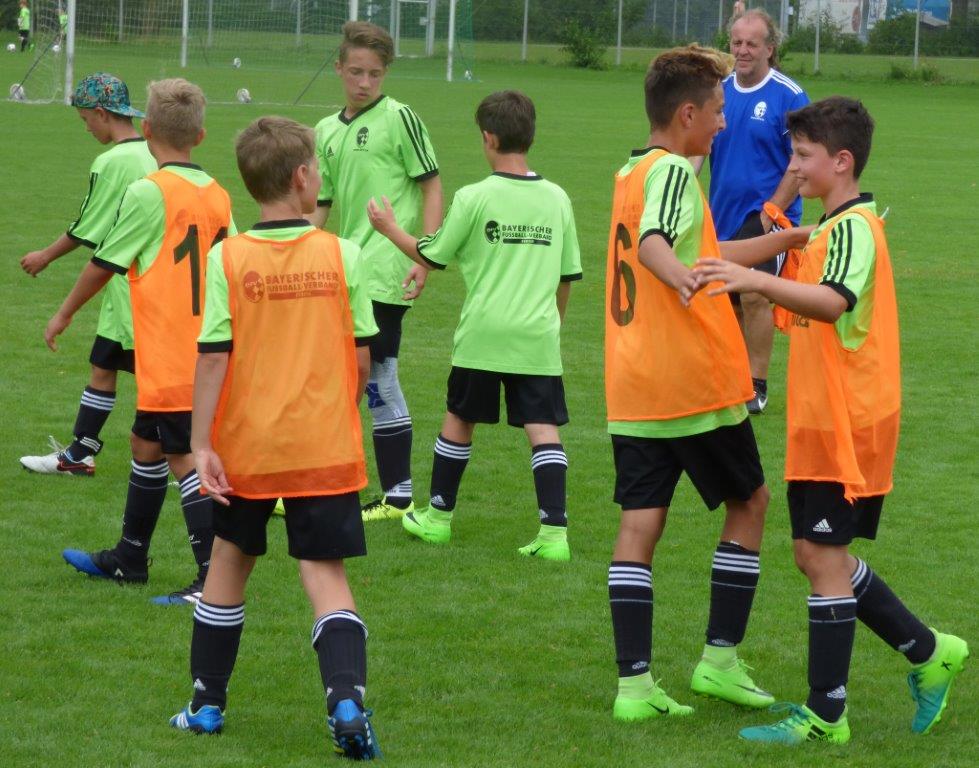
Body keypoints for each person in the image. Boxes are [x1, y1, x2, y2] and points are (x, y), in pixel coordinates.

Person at [695, 97, 969, 745]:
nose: (793, 166)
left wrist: (753, 282)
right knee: (815, 554)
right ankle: (930, 652)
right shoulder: (827, 227)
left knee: (821, 558)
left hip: (849, 422)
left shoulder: (853, 230)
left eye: (803, 155)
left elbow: (830, 301)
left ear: (841, 161)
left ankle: (825, 716)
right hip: (821, 419)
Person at [603, 45, 810, 722]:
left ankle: (634, 688)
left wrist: (791, 240)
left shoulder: (632, 171)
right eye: (718, 111)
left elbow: (709, 254)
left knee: (640, 523)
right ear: (687, 114)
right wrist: (681, 280)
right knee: (749, 502)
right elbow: (656, 245)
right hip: (692, 381)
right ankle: (719, 661)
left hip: (634, 381)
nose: (723, 123)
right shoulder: (671, 170)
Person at [168, 116, 381, 760]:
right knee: (325, 573)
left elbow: (213, 356)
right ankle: (345, 699)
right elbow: (362, 357)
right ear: (303, 177)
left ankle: (206, 705)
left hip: (248, 448)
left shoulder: (228, 256)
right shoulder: (342, 253)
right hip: (323, 447)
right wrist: (336, 411)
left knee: (229, 564)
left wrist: (201, 445)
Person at [367, 90, 581, 561]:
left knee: (460, 419)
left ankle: (438, 519)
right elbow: (567, 278)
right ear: (531, 136)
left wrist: (387, 227)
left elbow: (431, 254)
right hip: (536, 336)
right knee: (543, 427)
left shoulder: (474, 196)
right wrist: (553, 325)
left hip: (483, 334)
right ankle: (554, 535)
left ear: (488, 138)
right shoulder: (557, 198)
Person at [50, 78, 233, 606]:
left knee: (185, 457)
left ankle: (211, 582)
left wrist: (64, 313)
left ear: (147, 128)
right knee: (146, 445)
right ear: (200, 135)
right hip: (197, 346)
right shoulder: (217, 193)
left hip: (177, 354)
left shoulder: (149, 191)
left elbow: (104, 261)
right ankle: (129, 559)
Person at [310, 21, 443, 523]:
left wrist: (424, 256)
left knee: (377, 371)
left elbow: (431, 185)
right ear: (339, 69)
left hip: (388, 268)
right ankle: (345, 483)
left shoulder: (399, 118)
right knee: (350, 373)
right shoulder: (325, 130)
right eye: (356, 72)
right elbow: (321, 204)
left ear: (385, 74)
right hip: (345, 268)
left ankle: (396, 494)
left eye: (375, 74)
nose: (364, 82)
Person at [19, 73, 156, 477]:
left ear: (101, 113)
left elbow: (88, 229)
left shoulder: (113, 161)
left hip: (134, 285)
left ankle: (180, 460)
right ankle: (80, 453)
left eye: (85, 120)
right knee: (103, 364)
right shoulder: (153, 151)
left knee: (155, 377)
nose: (86, 128)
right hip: (133, 284)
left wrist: (45, 256)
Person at [706, 9, 809, 413]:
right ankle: (733, 378)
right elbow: (698, 149)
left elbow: (799, 164)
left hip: (771, 218)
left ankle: (756, 384)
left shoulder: (789, 96)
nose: (743, 50)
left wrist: (769, 213)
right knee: (727, 299)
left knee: (753, 293)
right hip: (722, 215)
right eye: (737, 42)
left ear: (770, 48)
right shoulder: (718, 91)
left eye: (752, 43)